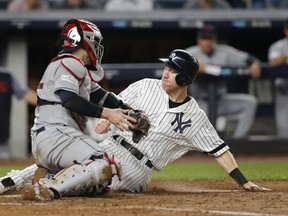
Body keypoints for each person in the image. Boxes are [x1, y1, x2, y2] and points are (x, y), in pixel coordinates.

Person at [0, 49, 270, 199]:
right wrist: (106, 122)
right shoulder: (145, 86)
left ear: (185, 80)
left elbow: (218, 150)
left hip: (136, 169)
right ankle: (7, 182)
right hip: (108, 145)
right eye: (166, 67)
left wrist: (242, 182)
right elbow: (114, 107)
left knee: (83, 178)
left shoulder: (194, 117)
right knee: (55, 163)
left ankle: (49, 189)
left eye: (173, 70)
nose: (166, 72)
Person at [186, 25, 261, 139]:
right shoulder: (189, 53)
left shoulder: (225, 51)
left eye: (210, 39)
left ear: (215, 40)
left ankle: (238, 141)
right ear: (198, 40)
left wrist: (255, 63)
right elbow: (174, 69)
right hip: (199, 104)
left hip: (221, 100)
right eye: (204, 39)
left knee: (250, 102)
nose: (207, 42)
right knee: (199, 138)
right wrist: (192, 67)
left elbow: (248, 58)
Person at [0, 68, 37, 158]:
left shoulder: (5, 76)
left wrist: (50, 103)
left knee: (3, 161)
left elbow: (25, 94)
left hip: (1, 133)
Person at [268, 20, 288, 138]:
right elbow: (274, 61)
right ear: (286, 31)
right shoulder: (278, 46)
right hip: (284, 90)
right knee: (284, 131)